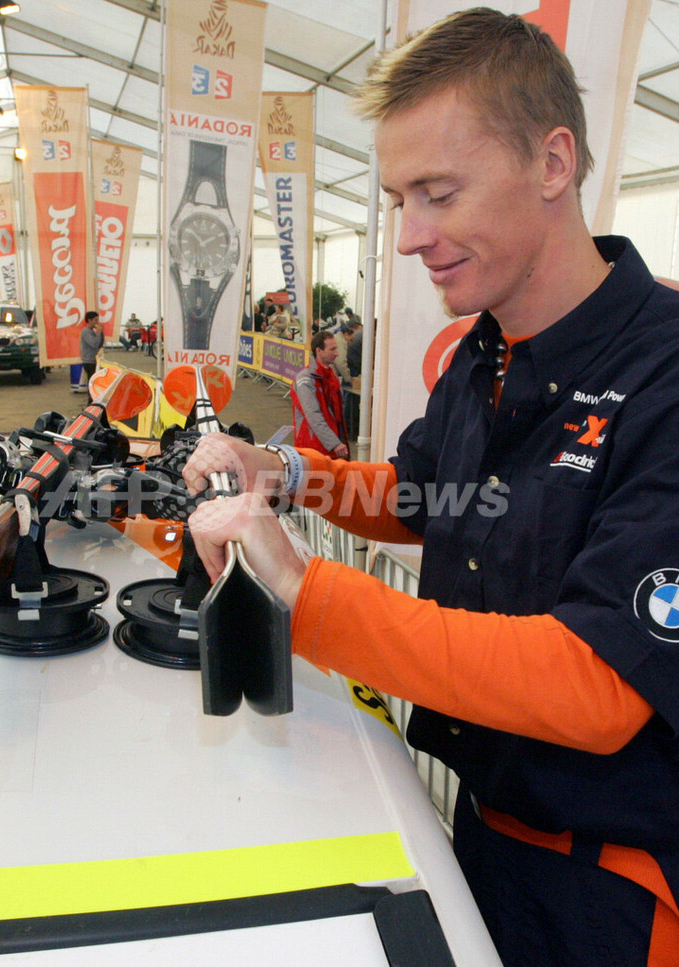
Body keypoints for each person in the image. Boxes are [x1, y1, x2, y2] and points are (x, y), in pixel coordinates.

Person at [183, 9, 679, 966]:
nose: (409, 237)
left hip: (613, 892)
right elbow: (424, 494)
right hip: (477, 834)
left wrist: (306, 591)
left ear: (553, 162)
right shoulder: (485, 351)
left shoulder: (664, 375)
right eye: (398, 200)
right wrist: (289, 474)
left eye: (438, 194)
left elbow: (599, 683)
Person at [290, 330, 348, 459]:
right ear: (319, 351)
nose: (337, 353)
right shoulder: (305, 379)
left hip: (330, 447)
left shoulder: (331, 376)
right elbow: (313, 415)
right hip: (312, 449)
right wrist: (334, 443)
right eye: (332, 349)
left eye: (336, 348)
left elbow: (338, 414)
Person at [80, 310, 103, 403]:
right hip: (89, 360)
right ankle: (90, 401)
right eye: (95, 320)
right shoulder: (86, 332)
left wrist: (100, 333)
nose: (97, 322)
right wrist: (98, 333)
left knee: (94, 381)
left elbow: (99, 343)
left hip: (93, 359)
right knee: (91, 381)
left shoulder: (91, 332)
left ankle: (92, 400)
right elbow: (94, 344)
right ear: (89, 320)